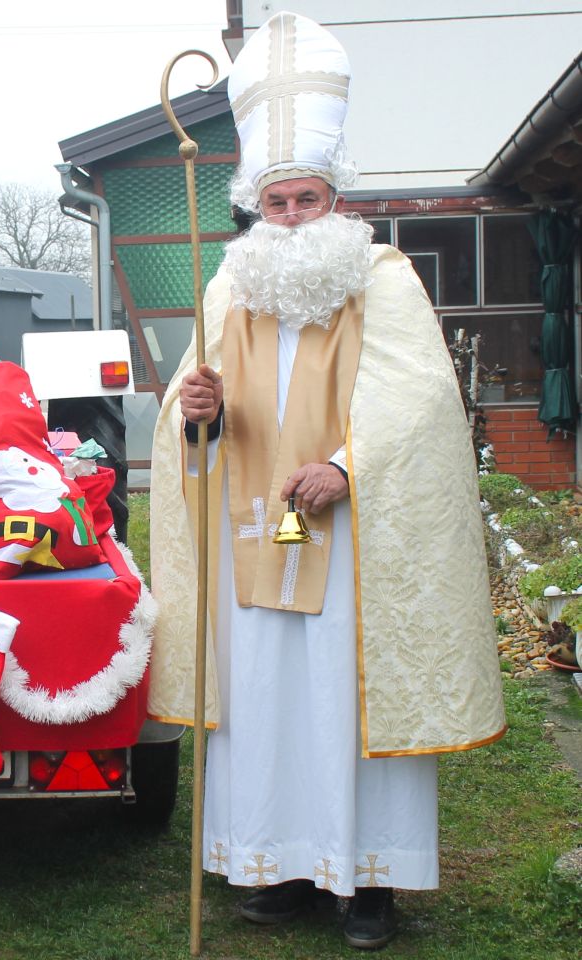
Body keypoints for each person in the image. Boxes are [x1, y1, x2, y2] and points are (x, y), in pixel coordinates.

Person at [148, 11, 506, 951]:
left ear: (335, 200)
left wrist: (346, 469)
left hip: (352, 544)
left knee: (346, 709)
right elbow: (193, 421)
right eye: (278, 205)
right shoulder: (227, 290)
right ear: (254, 208)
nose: (295, 219)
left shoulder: (381, 279)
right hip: (251, 532)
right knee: (267, 703)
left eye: (308, 200)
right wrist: (200, 412)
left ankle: (372, 882)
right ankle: (282, 866)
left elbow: (419, 403)